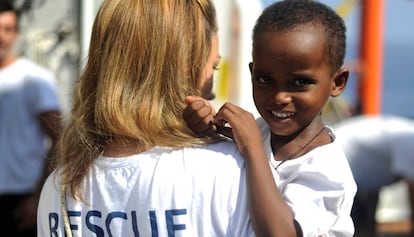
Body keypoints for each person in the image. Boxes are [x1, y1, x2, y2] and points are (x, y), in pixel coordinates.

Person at [37, 0, 301, 236]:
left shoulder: (59, 187)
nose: (209, 94)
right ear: (183, 70)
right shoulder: (230, 170)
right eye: (212, 68)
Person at [184, 0, 357, 236]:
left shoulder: (326, 170)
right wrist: (205, 129)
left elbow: (281, 233)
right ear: (252, 73)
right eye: (265, 79)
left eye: (300, 82)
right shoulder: (264, 131)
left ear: (337, 83)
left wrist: (253, 149)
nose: (279, 97)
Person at [0, 1, 61, 236]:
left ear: (16, 34)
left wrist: (39, 196)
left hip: (20, 200)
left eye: (8, 29)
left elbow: (59, 136)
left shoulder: (34, 79)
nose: (2, 36)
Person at [333, 114, 414, 237]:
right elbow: (412, 187)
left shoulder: (406, 134)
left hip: (359, 176)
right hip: (338, 167)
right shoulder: (410, 140)